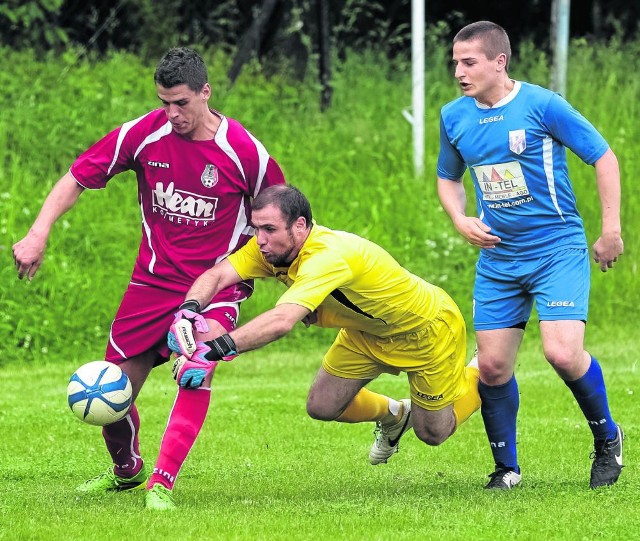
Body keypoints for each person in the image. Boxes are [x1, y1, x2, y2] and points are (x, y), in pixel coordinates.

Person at [12, 47, 286, 507]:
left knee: (196, 367)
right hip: (152, 283)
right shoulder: (144, 134)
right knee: (108, 387)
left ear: (205, 92)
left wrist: (290, 272)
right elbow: (78, 175)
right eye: (164, 102)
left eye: (181, 103)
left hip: (218, 282)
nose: (172, 113)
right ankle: (127, 470)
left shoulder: (243, 152)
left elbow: (279, 212)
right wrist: (38, 231)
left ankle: (162, 482)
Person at [165, 184, 481, 510]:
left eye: (270, 229)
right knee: (322, 405)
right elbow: (217, 275)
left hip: (425, 331)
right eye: (256, 228)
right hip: (365, 333)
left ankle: (480, 370)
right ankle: (396, 415)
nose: (260, 239)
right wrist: (188, 311)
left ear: (300, 225)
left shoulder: (327, 256)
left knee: (433, 433)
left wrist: (213, 349)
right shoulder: (270, 249)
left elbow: (282, 320)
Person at [436, 21, 624, 490]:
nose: (459, 71)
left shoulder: (541, 105)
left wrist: (611, 230)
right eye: (455, 62)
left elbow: (603, 157)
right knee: (493, 367)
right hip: (500, 259)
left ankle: (607, 438)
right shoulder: (453, 116)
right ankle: (508, 469)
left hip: (556, 248)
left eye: (469, 62)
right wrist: (460, 219)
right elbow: (448, 177)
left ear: (500, 62)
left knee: (562, 353)